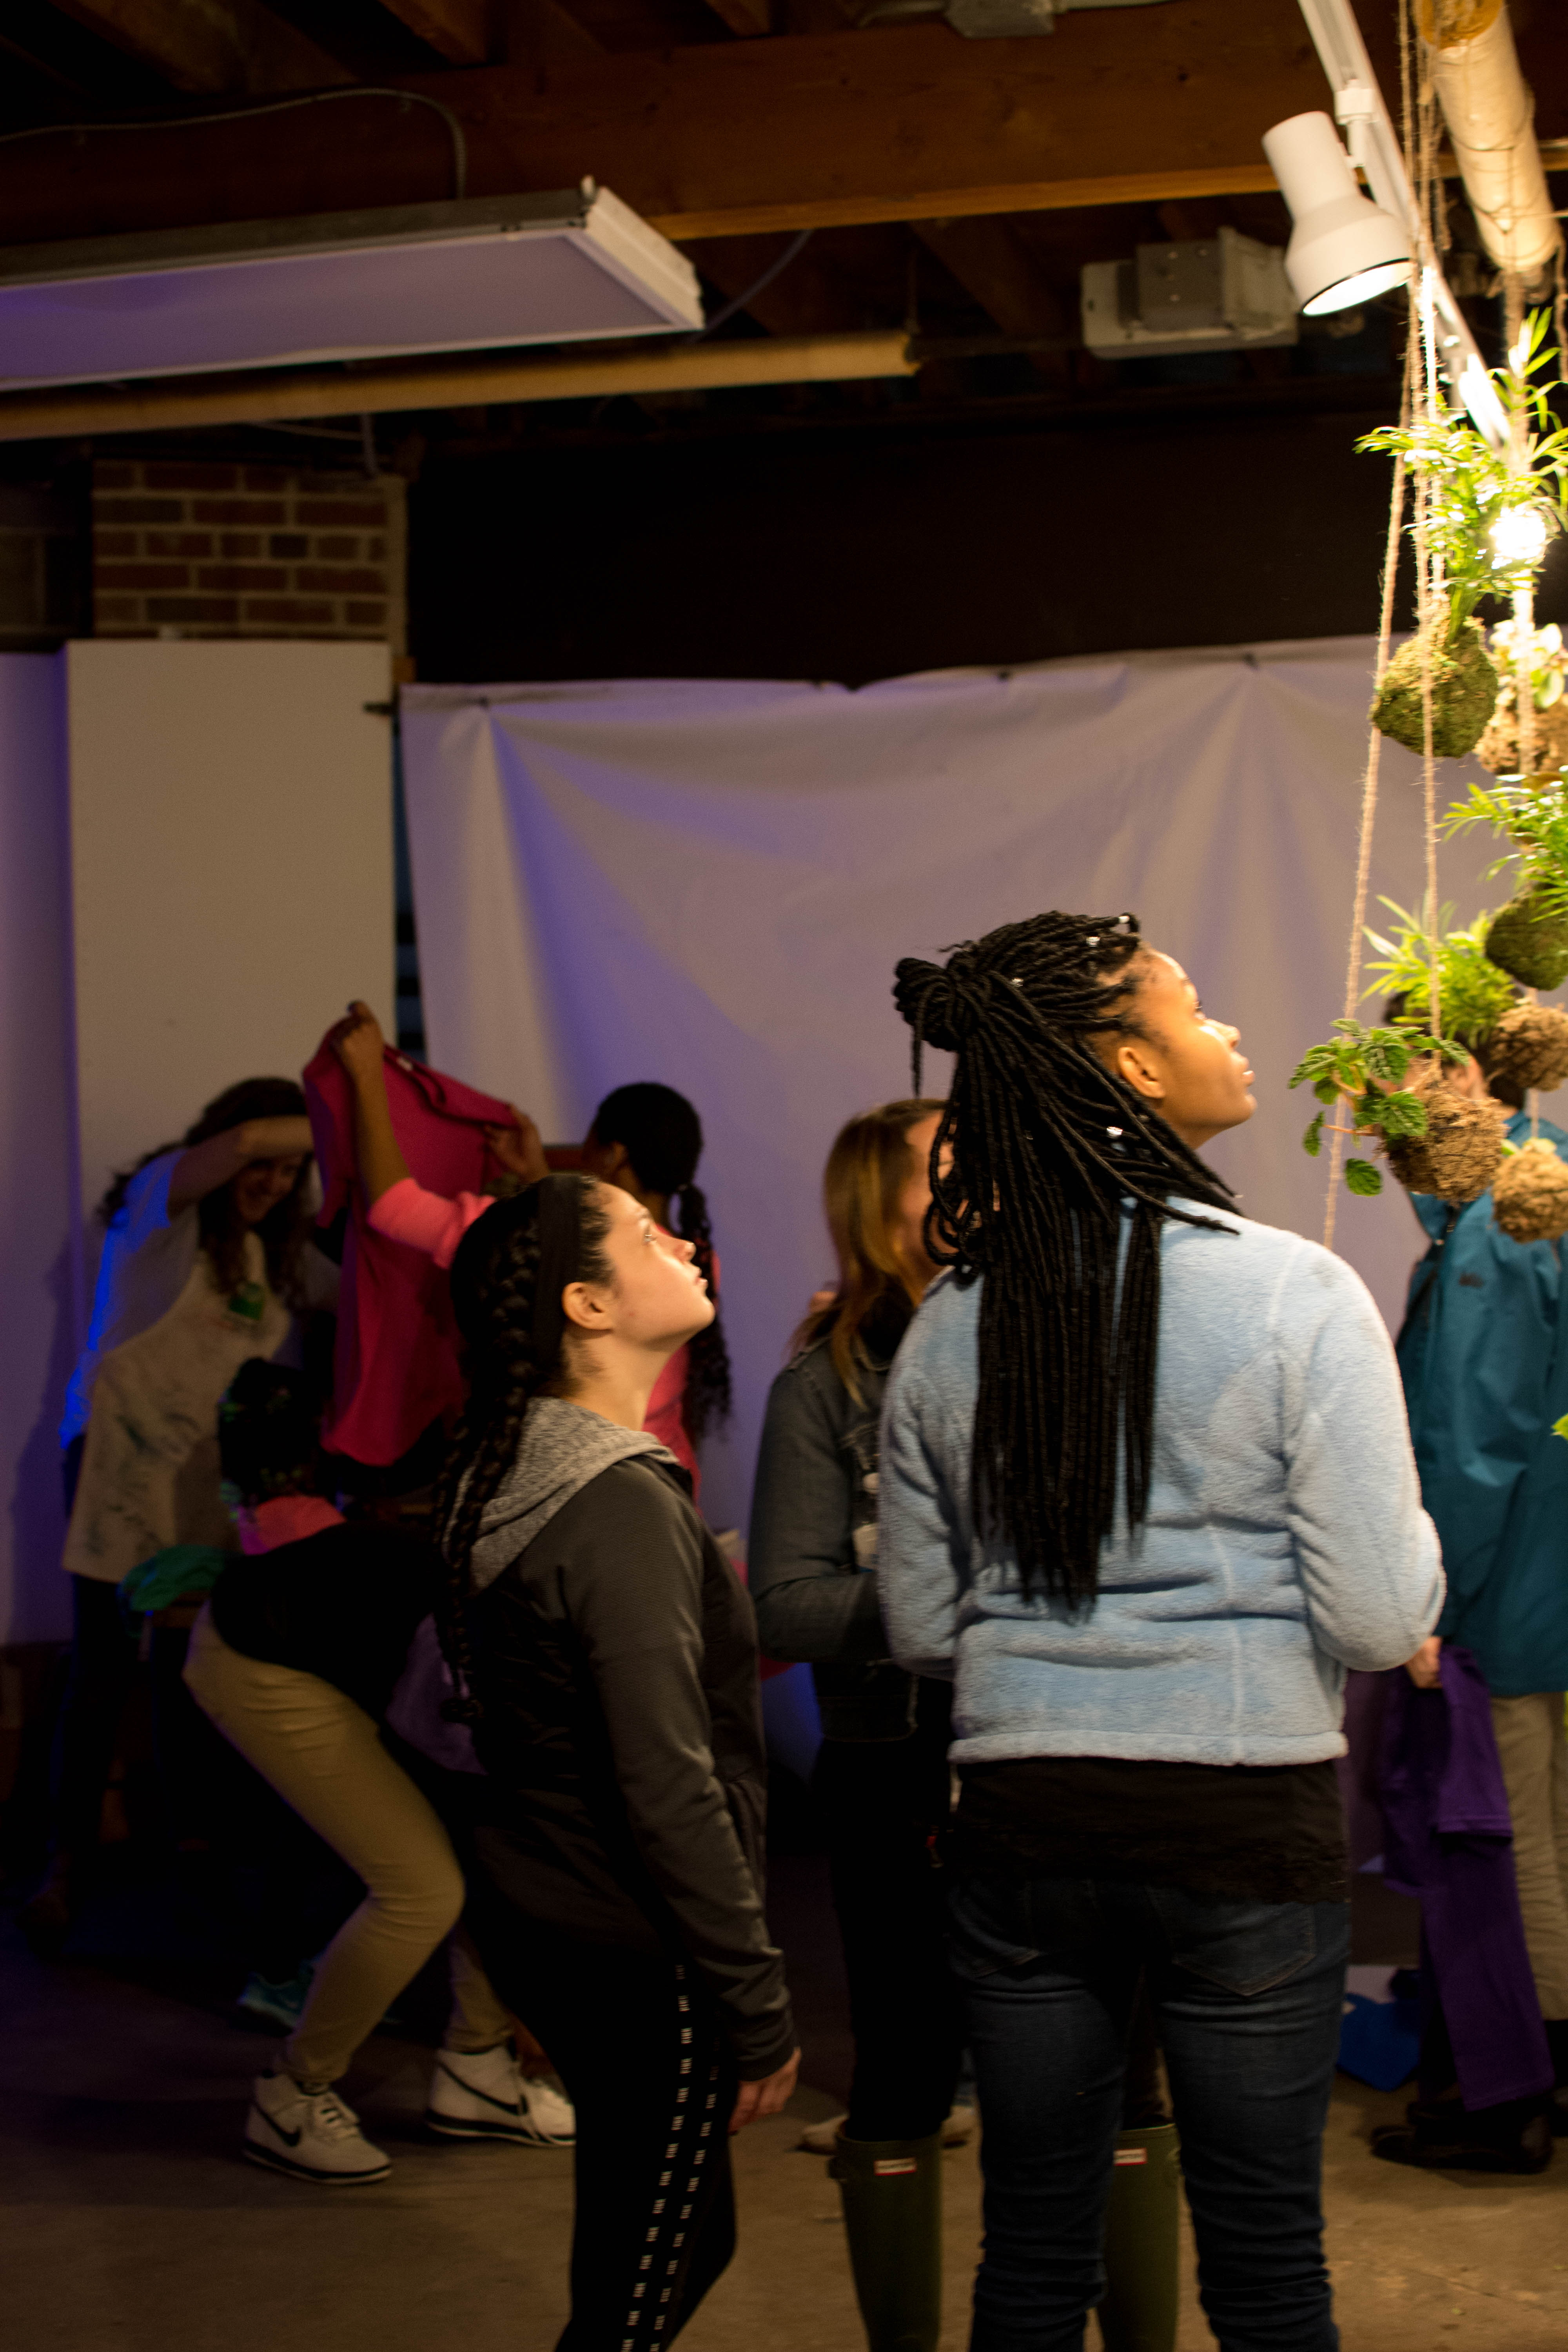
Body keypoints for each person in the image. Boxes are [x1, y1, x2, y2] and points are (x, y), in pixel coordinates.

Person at [875, 910, 1445, 2352]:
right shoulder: (1293, 1293)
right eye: (1196, 1008)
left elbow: (924, 1625)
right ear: (1128, 1066)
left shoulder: (946, 1323)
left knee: (1027, 2253)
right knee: (1262, 2266)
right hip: (1238, 1823)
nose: (1231, 1033)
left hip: (1019, 1818)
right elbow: (1380, 1620)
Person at [432, 1172, 798, 2348]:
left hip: (546, 1908)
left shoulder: (508, 1464)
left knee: (663, 2244)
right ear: (588, 1304)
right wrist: (754, 2000)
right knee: (651, 2270)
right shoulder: (612, 1499)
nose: (685, 1239)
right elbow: (666, 1779)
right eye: (649, 1233)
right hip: (632, 1933)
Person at [183, 1358, 575, 2184]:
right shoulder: (501, 1643)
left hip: (336, 1652)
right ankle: (291, 2096)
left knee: (473, 1858)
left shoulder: (540, 1643)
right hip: (258, 1653)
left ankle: (476, 2074)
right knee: (422, 1887)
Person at [749, 1099, 965, 2352]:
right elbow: (784, 1599)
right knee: (899, 2068)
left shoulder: (1024, 1335)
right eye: (949, 1153)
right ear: (885, 1200)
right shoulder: (820, 1383)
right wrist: (964, 1596)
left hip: (1037, 1746)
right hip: (894, 1755)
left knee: (1089, 2067)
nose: (977, 1167)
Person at [22, 1080, 318, 1948]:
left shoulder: (278, 1262)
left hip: (205, 1486)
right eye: (262, 1162)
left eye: (291, 1170)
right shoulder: (161, 1212)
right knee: (101, 1671)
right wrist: (345, 1112)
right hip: (118, 1471)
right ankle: (62, 1864)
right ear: (227, 1143)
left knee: (193, 1675)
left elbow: (358, 1288)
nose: (270, 1180)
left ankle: (190, 1865)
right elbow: (242, 1144)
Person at [1390, 1036, 1568, 2154]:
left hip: (1511, 1591)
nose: (1381, 1124)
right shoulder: (1547, 1184)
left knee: (1511, 1850)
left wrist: (1426, 1603)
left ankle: (1509, 2105)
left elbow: (1475, 1443)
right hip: (1553, 1573)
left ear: (1460, 1078)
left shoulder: (1497, 1227)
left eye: (1390, 1088)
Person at [325, 1003, 729, 1486]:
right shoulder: (698, 1260)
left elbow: (392, 1206)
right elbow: (577, 1248)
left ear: (613, 1155)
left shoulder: (600, 1258)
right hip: (662, 1481)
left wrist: (367, 1077)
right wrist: (537, 1181)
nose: (680, 1253)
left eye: (588, 1147)